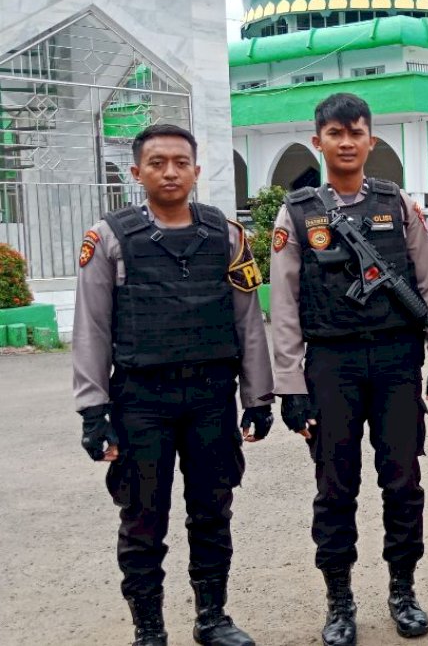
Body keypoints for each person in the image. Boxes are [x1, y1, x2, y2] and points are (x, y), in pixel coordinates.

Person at [73, 124, 273, 646]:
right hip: (141, 401)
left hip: (210, 397)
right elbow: (91, 327)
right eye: (157, 162)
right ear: (137, 172)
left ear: (196, 171)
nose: (169, 171)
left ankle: (212, 618)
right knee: (143, 517)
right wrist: (93, 411)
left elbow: (247, 320)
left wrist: (257, 398)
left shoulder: (228, 235)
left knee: (213, 510)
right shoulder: (110, 237)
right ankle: (149, 629)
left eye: (180, 162)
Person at [269, 93, 428, 644]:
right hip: (331, 364)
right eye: (335, 132)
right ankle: (340, 600)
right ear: (317, 140)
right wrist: (289, 385)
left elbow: (427, 281)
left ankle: (403, 590)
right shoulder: (297, 212)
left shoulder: (397, 203)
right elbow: (284, 302)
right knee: (335, 488)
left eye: (356, 132)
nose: (346, 142)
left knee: (403, 482)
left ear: (372, 141)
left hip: (397, 361)